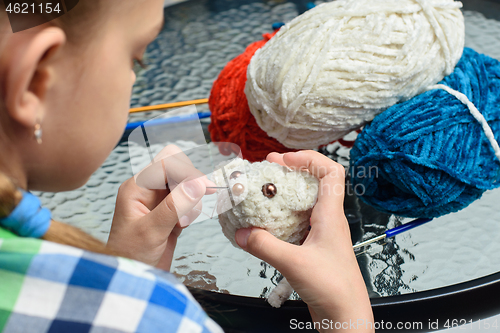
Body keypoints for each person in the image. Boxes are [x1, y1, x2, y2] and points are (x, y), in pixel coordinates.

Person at [0, 0, 374, 332]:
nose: (133, 78)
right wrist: (345, 312)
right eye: (136, 59)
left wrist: (126, 269)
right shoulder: (157, 317)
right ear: (34, 81)